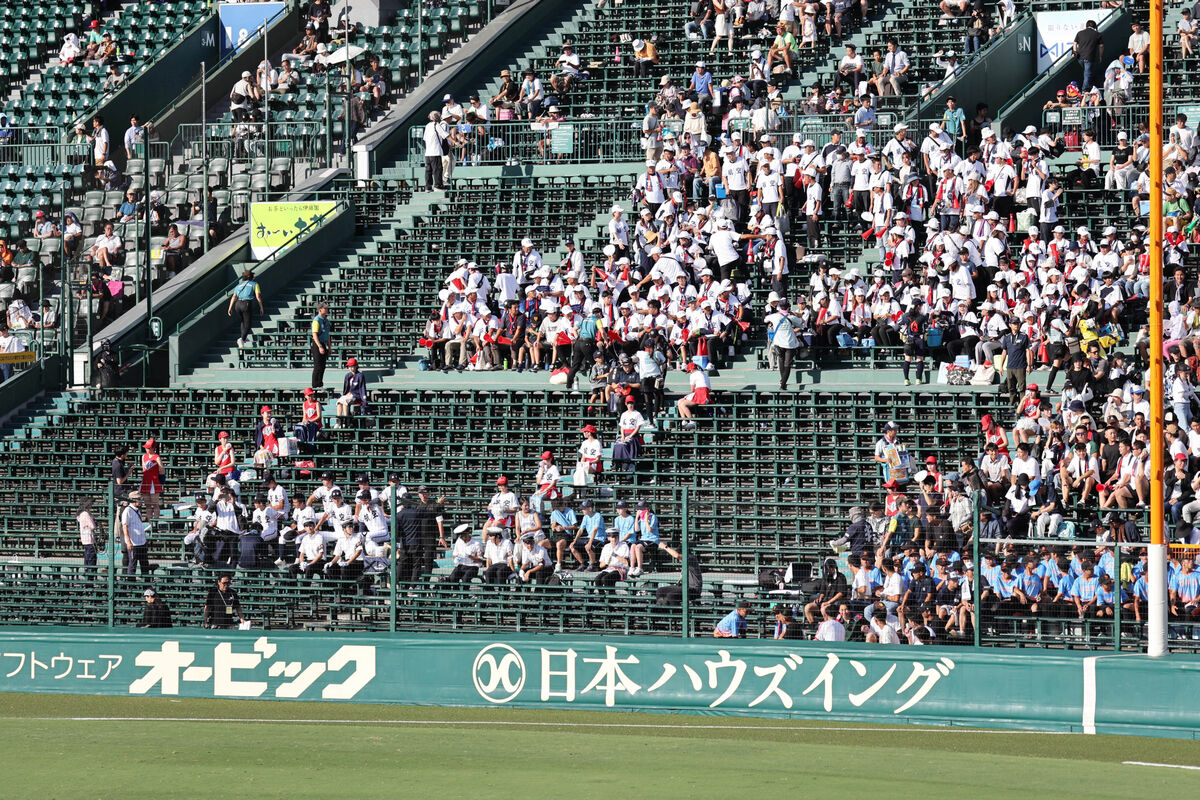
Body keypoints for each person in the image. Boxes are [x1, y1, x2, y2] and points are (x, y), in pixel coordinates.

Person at [766, 298, 803, 390]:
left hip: (778, 343)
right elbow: (801, 323)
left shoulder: (774, 316)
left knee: (781, 361)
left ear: (779, 307)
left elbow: (765, 319)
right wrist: (795, 315)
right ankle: (783, 384)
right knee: (787, 364)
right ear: (789, 307)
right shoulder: (792, 317)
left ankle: (782, 382)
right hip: (790, 344)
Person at [226, 270, 263, 349]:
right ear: (251, 277)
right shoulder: (255, 284)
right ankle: (241, 339)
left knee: (243, 321)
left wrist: (230, 308)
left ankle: (244, 337)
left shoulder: (238, 285)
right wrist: (261, 307)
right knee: (248, 323)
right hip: (246, 304)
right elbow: (258, 296)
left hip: (237, 304)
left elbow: (233, 297)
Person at [122, 491, 150, 577]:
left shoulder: (138, 510)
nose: (141, 501)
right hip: (133, 543)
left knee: (144, 564)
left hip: (141, 542)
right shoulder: (127, 511)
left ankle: (146, 583)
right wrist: (128, 541)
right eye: (139, 499)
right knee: (132, 564)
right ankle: (130, 584)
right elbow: (125, 527)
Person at [1072, 19, 1103, 91]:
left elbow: (1075, 43)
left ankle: (1089, 86)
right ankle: (1084, 90)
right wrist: (1100, 56)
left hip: (1080, 57)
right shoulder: (1098, 34)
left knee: (1087, 73)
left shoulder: (1080, 33)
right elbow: (1101, 46)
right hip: (1090, 57)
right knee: (1087, 74)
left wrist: (1075, 52)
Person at [139, 437, 164, 523]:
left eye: (148, 448)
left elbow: (162, 470)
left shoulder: (157, 457)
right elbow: (143, 469)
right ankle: (150, 522)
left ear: (153, 448)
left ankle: (155, 522)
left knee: (155, 503)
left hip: (154, 481)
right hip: (146, 481)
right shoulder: (143, 456)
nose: (146, 449)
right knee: (147, 504)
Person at [422, 111, 448, 191]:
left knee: (428, 170)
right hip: (435, 151)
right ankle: (438, 186)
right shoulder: (437, 125)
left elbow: (425, 138)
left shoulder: (427, 126)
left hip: (428, 152)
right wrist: (455, 142)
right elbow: (445, 135)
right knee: (437, 169)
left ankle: (428, 187)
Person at [310, 301, 331, 388]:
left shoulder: (326, 320)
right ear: (320, 310)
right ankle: (315, 384)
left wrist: (329, 347)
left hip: (323, 342)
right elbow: (314, 334)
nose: (326, 310)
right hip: (317, 343)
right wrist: (319, 346)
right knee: (318, 365)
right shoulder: (316, 320)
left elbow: (327, 334)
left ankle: (320, 383)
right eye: (325, 308)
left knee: (323, 365)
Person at [78, 497, 98, 567]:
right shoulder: (86, 514)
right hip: (89, 538)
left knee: (87, 556)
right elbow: (92, 526)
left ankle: (88, 571)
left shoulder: (82, 513)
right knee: (91, 557)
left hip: (85, 538)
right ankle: (90, 572)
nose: (91, 505)